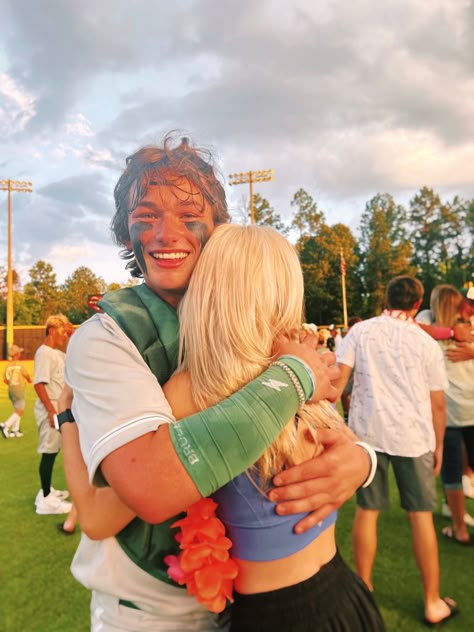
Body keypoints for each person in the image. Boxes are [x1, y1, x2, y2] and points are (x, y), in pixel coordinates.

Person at [62, 134, 375, 631]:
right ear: (126, 235)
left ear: (217, 232)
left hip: (246, 603)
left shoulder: (254, 332)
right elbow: (147, 489)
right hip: (152, 613)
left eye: (189, 217)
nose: (168, 234)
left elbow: (323, 422)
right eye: (146, 217)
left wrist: (360, 461)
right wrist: (291, 378)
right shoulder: (106, 338)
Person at [335, 276, 458, 627]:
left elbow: (339, 380)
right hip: (413, 436)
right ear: (418, 303)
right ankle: (433, 602)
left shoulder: (362, 332)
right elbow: (437, 404)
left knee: (367, 511)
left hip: (367, 433)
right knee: (420, 517)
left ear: (387, 298)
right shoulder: (425, 343)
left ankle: (366, 591)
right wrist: (437, 445)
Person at [423, 285, 473, 544]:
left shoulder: (429, 327)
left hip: (450, 412)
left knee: (452, 472)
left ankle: (460, 530)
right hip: (465, 408)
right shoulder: (460, 328)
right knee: (458, 470)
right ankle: (458, 521)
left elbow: (411, 327)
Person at [34, 314, 73, 515]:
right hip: (51, 411)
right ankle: (46, 501)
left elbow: (76, 346)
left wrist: (69, 329)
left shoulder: (58, 353)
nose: (65, 336)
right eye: (62, 332)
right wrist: (51, 411)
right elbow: (38, 384)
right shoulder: (45, 353)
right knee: (49, 453)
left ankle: (47, 491)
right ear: (51, 331)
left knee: (55, 450)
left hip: (60, 411)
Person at [1, 344, 32, 438]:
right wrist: (29, 381)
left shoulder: (8, 366)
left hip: (11, 390)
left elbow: (5, 380)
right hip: (19, 389)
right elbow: (26, 375)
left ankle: (15, 430)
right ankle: (5, 425)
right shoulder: (20, 365)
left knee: (17, 409)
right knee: (20, 410)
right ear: (17, 354)